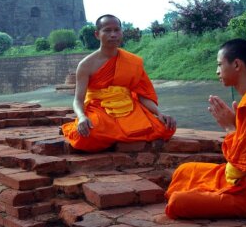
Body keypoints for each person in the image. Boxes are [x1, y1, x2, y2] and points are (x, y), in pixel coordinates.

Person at [164, 38, 246, 219]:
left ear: (237, 64)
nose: (217, 71)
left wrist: (229, 127)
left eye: (220, 65)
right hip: (244, 180)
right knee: (185, 170)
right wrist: (236, 124)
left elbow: (245, 163)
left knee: (177, 202)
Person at [61, 14, 177, 152]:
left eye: (117, 30)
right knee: (86, 136)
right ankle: (114, 135)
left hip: (128, 107)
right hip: (99, 108)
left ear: (122, 33)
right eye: (107, 30)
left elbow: (142, 96)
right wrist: (81, 117)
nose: (113, 34)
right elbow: (78, 100)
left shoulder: (133, 61)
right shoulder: (86, 65)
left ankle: (114, 137)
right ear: (97, 34)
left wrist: (159, 113)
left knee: (165, 128)